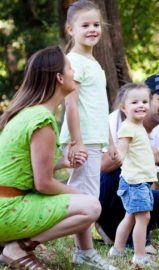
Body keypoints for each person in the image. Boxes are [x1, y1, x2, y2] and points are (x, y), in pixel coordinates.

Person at [0, 46, 105, 270]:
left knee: (86, 202)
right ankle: (18, 248)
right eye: (69, 68)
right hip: (6, 210)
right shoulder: (42, 120)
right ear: (59, 77)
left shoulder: (28, 113)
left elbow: (26, 166)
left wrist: (63, 162)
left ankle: (11, 243)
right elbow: (43, 183)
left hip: (6, 204)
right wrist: (79, 194)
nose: (74, 72)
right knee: (91, 207)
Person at [98, 74, 159, 254]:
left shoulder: (155, 133)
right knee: (122, 173)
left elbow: (147, 181)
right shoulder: (114, 121)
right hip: (102, 194)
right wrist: (139, 151)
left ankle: (132, 233)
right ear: (148, 100)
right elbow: (100, 168)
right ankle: (106, 225)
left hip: (130, 193)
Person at [59, 1, 117, 269]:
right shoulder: (73, 62)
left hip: (95, 138)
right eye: (85, 25)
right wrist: (77, 141)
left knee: (86, 198)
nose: (92, 29)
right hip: (83, 139)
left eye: (96, 25)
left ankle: (84, 251)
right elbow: (71, 104)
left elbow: (99, 106)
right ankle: (82, 252)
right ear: (70, 29)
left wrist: (112, 140)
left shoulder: (93, 61)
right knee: (86, 201)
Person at [107, 83, 158, 267]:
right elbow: (122, 151)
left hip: (139, 181)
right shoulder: (128, 127)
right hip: (135, 182)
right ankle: (139, 255)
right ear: (123, 108)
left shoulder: (138, 126)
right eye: (134, 102)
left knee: (130, 217)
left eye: (144, 101)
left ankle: (117, 250)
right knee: (143, 218)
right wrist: (117, 154)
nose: (141, 105)